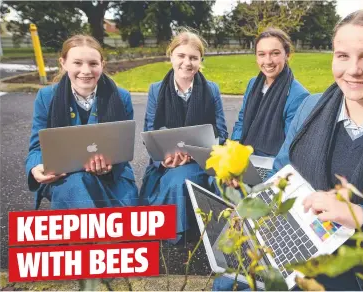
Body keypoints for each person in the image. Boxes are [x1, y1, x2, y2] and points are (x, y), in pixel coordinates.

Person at [213, 7, 363, 291]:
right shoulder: (308, 109)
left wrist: (360, 216)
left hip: (360, 275)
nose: (353, 70)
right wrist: (252, 209)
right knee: (229, 280)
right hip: (294, 250)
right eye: (343, 56)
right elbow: (281, 174)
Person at [25, 34, 138, 210]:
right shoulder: (46, 97)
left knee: (128, 221)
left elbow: (123, 147)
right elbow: (36, 148)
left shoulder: (121, 97)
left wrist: (110, 167)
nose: (86, 71)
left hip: (113, 177)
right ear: (63, 63)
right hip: (66, 177)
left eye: (93, 64)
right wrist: (36, 167)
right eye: (77, 63)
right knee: (76, 185)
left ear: (102, 64)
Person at [139, 30, 228, 243]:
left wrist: (195, 153)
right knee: (175, 178)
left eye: (193, 58)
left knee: (186, 179)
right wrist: (165, 158)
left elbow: (222, 133)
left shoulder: (211, 90)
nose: (187, 63)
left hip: (201, 160)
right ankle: (178, 231)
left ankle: (185, 233)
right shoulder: (156, 90)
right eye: (181, 56)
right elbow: (150, 132)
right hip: (168, 162)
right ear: (171, 56)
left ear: (200, 61)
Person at [231, 27, 309, 158]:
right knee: (215, 178)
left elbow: (290, 145)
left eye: (275, 53)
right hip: (244, 155)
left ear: (287, 54)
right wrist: (235, 148)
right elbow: (241, 121)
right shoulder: (252, 84)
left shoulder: (298, 95)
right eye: (262, 54)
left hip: (271, 162)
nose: (268, 61)